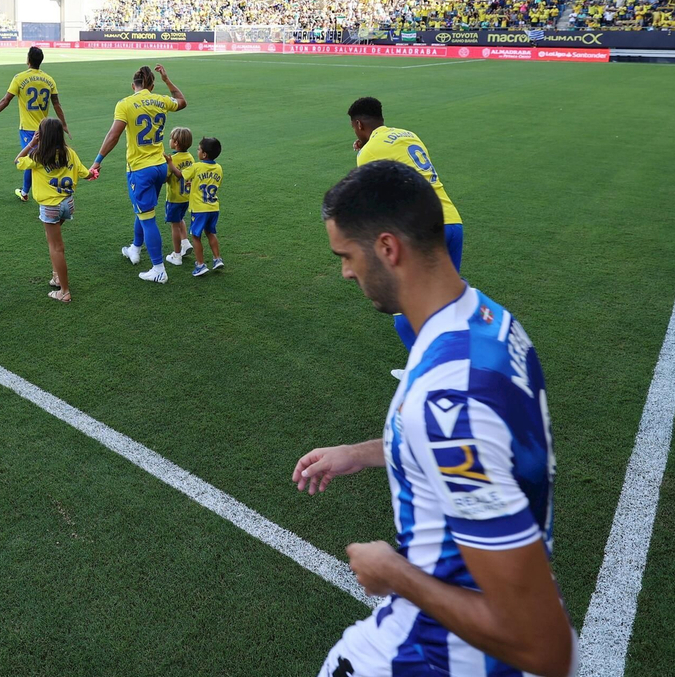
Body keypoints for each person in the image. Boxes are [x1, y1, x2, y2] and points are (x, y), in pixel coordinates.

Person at [293, 161, 575, 677]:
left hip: (440, 654)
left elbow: (546, 649)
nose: (346, 272)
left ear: (386, 248)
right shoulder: (488, 320)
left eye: (346, 255)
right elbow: (476, 447)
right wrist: (359, 453)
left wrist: (394, 572)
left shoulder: (451, 399)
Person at [349, 96, 464, 348]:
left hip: (420, 230)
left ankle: (426, 372)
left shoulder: (368, 152)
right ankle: (459, 359)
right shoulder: (409, 134)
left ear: (358, 124)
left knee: (404, 307)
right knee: (447, 301)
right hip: (452, 223)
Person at [87, 65, 187, 284]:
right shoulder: (161, 100)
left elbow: (114, 135)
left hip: (140, 169)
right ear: (151, 86)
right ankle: (135, 247)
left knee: (147, 217)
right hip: (160, 166)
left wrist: (97, 161)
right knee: (144, 210)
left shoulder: (125, 104)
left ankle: (159, 269)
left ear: (133, 85)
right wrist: (167, 80)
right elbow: (181, 101)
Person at [0, 46, 67, 202]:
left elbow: (6, 100)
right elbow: (57, 104)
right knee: (42, 157)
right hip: (45, 127)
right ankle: (48, 187)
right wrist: (64, 125)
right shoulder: (49, 80)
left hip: (28, 129)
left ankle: (25, 192)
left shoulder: (19, 78)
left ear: (28, 60)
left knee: (31, 160)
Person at [16, 117, 88, 303]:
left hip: (50, 207)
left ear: (43, 136)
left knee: (57, 247)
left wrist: (32, 143)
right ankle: (56, 276)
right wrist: (94, 171)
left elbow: (18, 161)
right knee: (52, 241)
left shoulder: (38, 155)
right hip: (68, 204)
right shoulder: (69, 153)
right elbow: (84, 173)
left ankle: (64, 291)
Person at [185, 136, 224, 278]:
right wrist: (194, 184)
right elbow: (209, 183)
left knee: (196, 236)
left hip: (199, 209)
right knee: (210, 233)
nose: (197, 151)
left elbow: (180, 175)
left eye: (198, 149)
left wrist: (170, 164)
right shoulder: (218, 168)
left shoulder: (197, 166)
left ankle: (200, 265)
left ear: (204, 154)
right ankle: (217, 258)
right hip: (213, 208)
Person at [163, 126, 195, 266]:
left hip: (174, 198)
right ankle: (185, 242)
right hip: (186, 197)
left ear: (175, 143)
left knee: (174, 225)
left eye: (171, 139)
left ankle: (176, 256)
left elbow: (165, 178)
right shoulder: (190, 157)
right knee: (180, 219)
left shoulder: (172, 159)